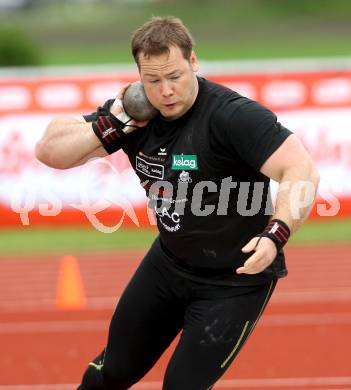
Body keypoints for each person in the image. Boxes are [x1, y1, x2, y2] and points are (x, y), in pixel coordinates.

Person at [36, 16, 320, 390]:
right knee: (107, 375)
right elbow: (49, 151)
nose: (166, 91)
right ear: (139, 77)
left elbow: (301, 171)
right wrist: (111, 123)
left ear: (194, 63)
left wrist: (276, 234)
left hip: (234, 281)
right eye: (153, 81)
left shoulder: (231, 115)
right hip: (168, 266)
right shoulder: (134, 114)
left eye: (175, 76)